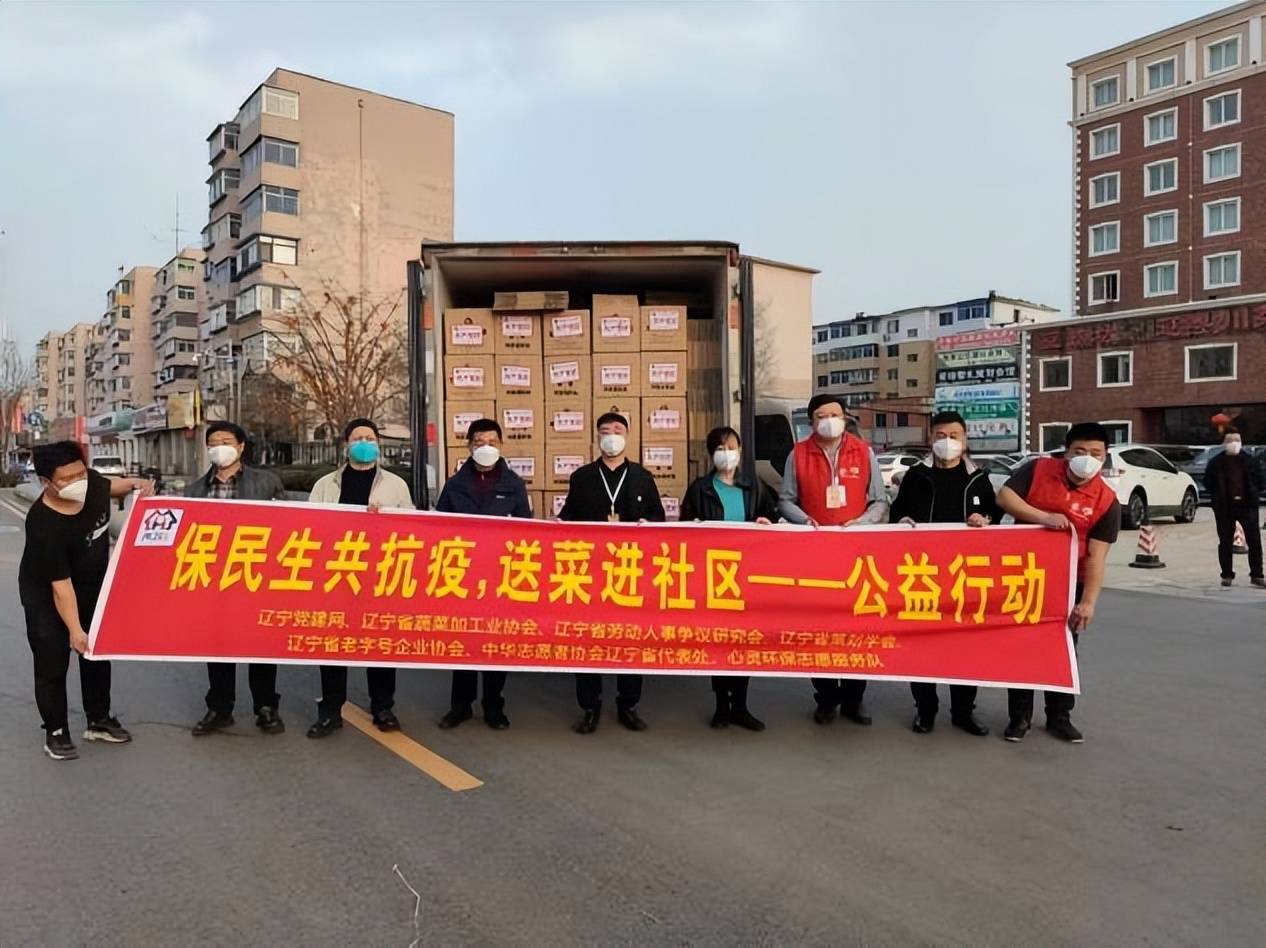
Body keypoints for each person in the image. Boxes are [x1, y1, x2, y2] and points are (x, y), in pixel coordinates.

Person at [19, 441, 152, 760]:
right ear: (46, 482)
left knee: (96, 652)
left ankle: (99, 720)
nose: (77, 482)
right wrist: (75, 629)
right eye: (66, 479)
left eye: (80, 473)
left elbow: (110, 486)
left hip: (92, 585)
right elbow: (60, 587)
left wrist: (135, 483)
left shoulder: (90, 483)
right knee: (53, 659)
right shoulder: (43, 524)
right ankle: (56, 731)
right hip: (47, 592)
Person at [997, 422, 1120, 743]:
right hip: (1024, 575)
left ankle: (1059, 716)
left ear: (1105, 456)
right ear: (1066, 452)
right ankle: (1019, 717)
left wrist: (1088, 602)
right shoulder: (1038, 469)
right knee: (1022, 647)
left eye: (1095, 453)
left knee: (1063, 649)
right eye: (1079, 451)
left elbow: (1097, 557)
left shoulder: (1106, 500)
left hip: (1068, 584)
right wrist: (1043, 518)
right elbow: (1005, 496)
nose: (1087, 459)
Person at [778, 393, 888, 727]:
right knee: (820, 629)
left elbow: (880, 500)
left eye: (835, 415)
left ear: (845, 418)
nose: (829, 421)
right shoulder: (798, 454)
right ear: (811, 422)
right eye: (821, 416)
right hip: (816, 556)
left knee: (857, 629)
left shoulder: (863, 452)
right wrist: (804, 520)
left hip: (857, 555)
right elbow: (785, 500)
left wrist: (862, 523)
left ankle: (854, 698)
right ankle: (826, 698)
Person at [888, 411, 999, 737]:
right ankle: (926, 709)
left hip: (965, 577)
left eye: (954, 436)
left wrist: (985, 520)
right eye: (940, 436)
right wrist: (902, 522)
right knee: (922, 646)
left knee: (965, 647)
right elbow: (896, 514)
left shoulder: (979, 479)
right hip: (922, 575)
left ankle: (963, 711)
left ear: (965, 440)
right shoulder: (916, 476)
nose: (947, 442)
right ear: (930, 439)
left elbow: (995, 516)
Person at [306, 418, 415, 738]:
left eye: (370, 438)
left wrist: (386, 522)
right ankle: (331, 709)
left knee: (379, 642)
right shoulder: (326, 485)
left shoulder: (396, 485)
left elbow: (411, 529)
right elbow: (309, 525)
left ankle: (383, 706)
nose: (364, 443)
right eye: (358, 438)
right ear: (346, 445)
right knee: (333, 644)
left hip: (379, 576)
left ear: (378, 443)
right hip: (336, 574)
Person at [560, 411, 665, 734]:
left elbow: (659, 520)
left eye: (617, 430)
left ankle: (628, 704)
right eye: (605, 431)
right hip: (590, 573)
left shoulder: (643, 477)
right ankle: (589, 706)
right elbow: (567, 517)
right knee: (587, 640)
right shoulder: (582, 477)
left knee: (630, 639)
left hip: (630, 573)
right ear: (596, 438)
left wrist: (649, 525)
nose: (611, 436)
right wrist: (557, 525)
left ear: (627, 436)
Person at [186, 421, 288, 737]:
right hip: (214, 579)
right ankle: (220, 707)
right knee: (218, 644)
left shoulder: (267, 483)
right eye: (214, 442)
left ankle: (266, 707)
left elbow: (288, 527)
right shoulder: (195, 491)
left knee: (260, 643)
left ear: (241, 446)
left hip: (256, 576)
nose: (220, 448)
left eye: (227, 441)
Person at [434, 418, 531, 730]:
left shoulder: (514, 485)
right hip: (462, 576)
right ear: (469, 446)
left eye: (492, 442)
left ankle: (493, 706)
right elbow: (438, 529)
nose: (485, 447)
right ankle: (460, 706)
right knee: (463, 642)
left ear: (501, 445)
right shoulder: (455, 485)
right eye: (479, 442)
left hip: (499, 577)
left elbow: (527, 532)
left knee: (494, 645)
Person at [680, 426, 777, 731]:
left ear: (740, 451)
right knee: (719, 641)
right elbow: (682, 529)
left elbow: (772, 516)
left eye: (731, 447)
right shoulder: (700, 489)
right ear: (712, 454)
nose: (726, 454)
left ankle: (741, 706)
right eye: (720, 449)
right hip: (713, 578)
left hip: (746, 577)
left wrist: (768, 522)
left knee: (743, 642)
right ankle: (722, 706)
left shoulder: (754, 486)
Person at [1204, 429, 1264, 588]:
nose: (1234, 444)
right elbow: (1208, 482)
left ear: (1241, 442)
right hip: (1224, 507)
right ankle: (1226, 574)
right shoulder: (1216, 463)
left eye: (1236, 440)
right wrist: (1218, 495)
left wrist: (1254, 493)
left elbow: (1260, 480)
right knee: (1225, 542)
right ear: (1224, 444)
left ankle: (1257, 574)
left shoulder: (1250, 461)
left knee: (1254, 541)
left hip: (1247, 506)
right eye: (1230, 441)